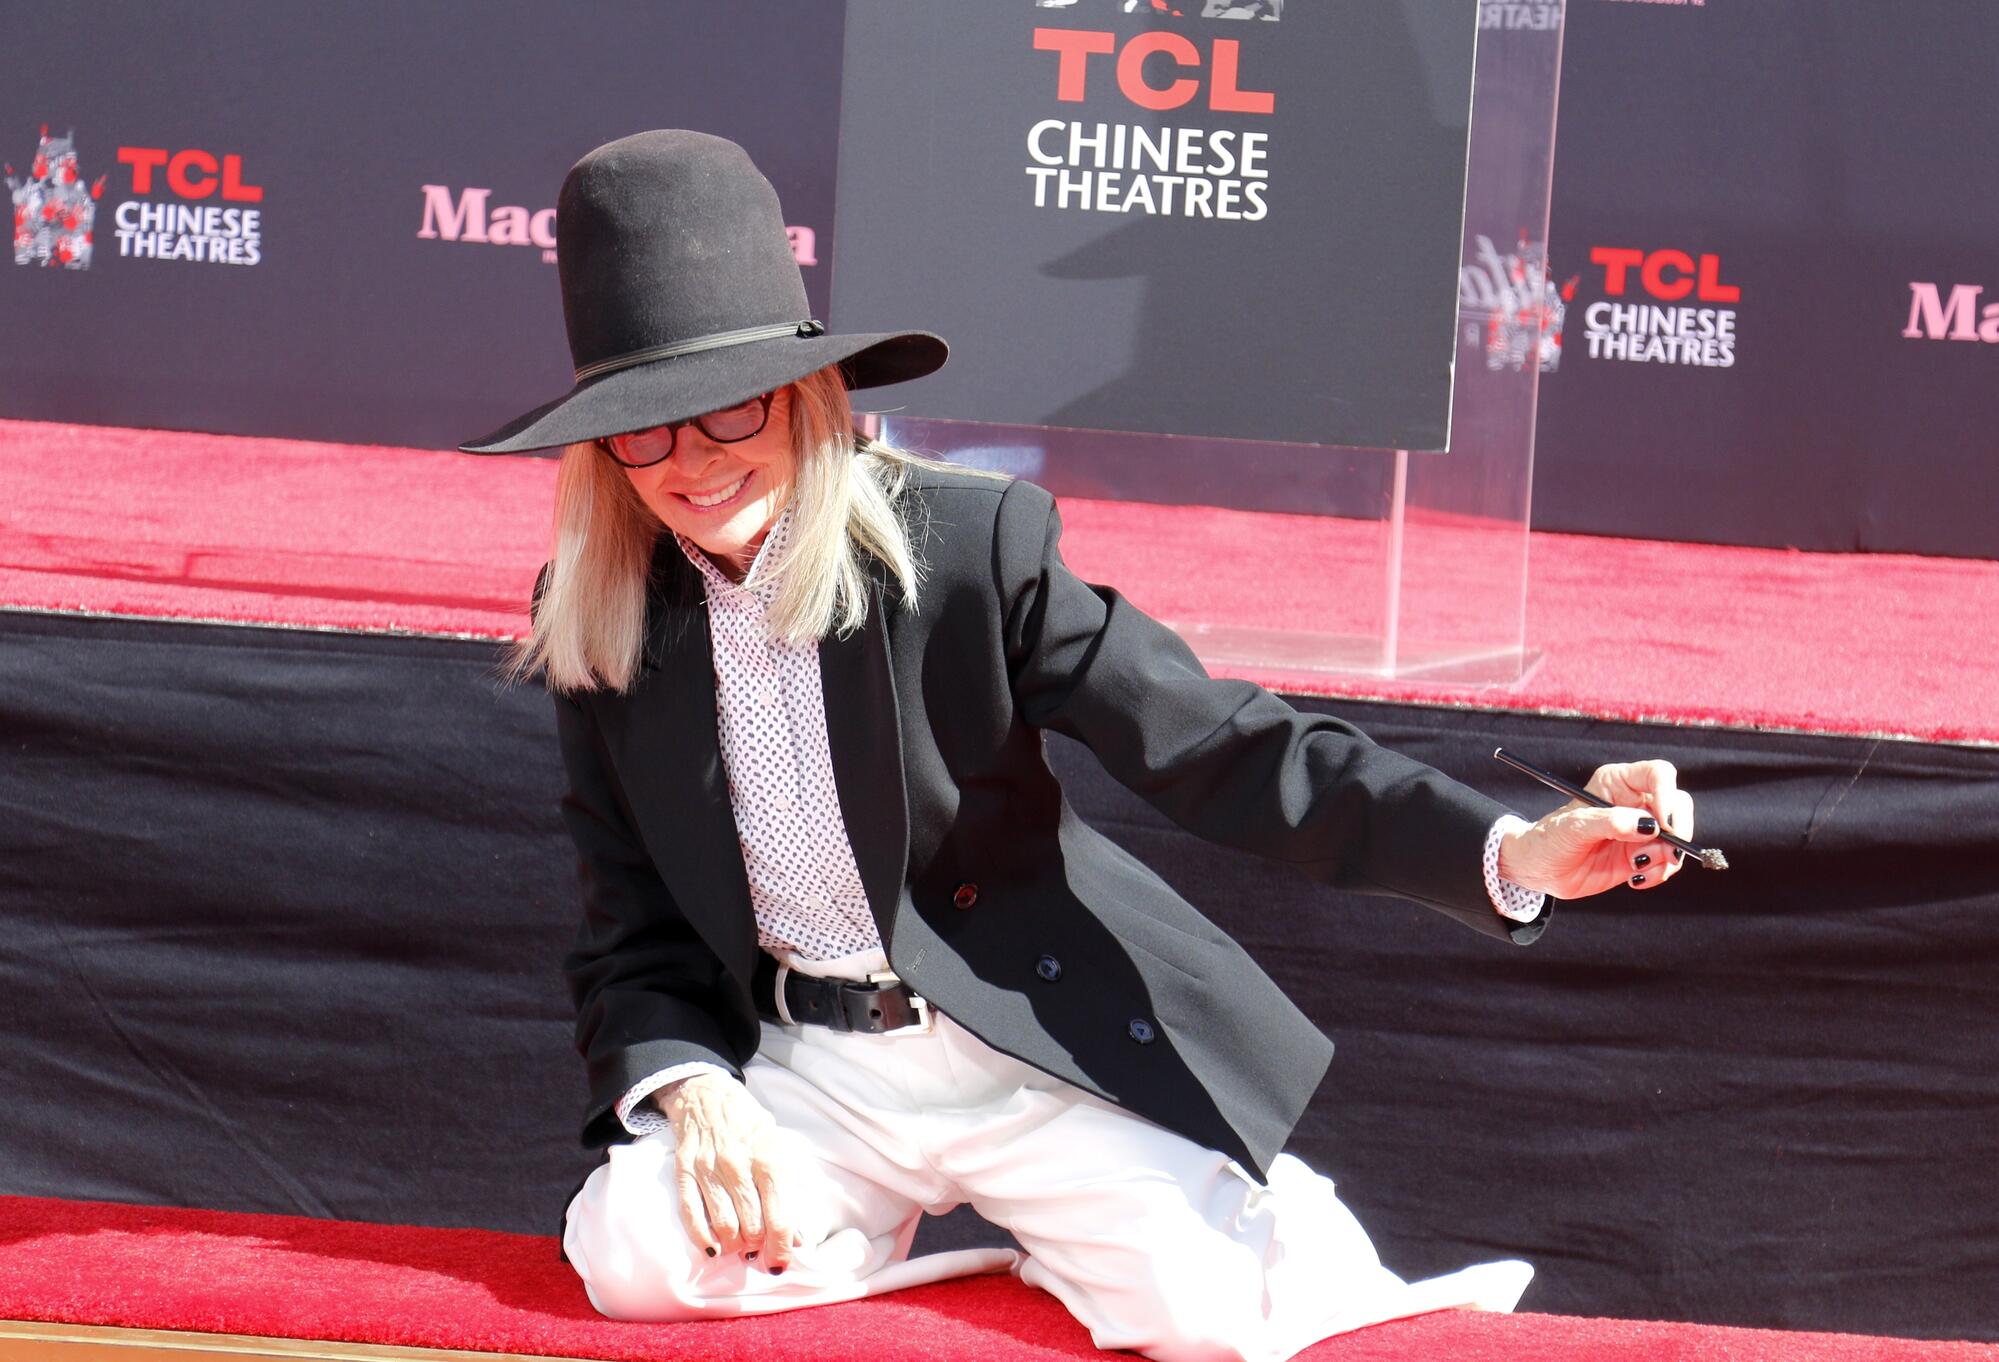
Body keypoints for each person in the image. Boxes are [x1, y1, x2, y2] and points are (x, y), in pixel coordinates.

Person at [459, 130, 1695, 1362]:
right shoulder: (603, 614)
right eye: (643, 429)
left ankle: (1200, 1225)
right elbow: (629, 922)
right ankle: (989, 1257)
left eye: (728, 408)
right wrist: (692, 1090)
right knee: (637, 1262)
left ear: (805, 394)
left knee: (1214, 1323)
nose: (692, 464)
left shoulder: (966, 550)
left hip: (1021, 1043)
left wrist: (1511, 850)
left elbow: (1219, 746)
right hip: (810, 1068)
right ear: (602, 452)